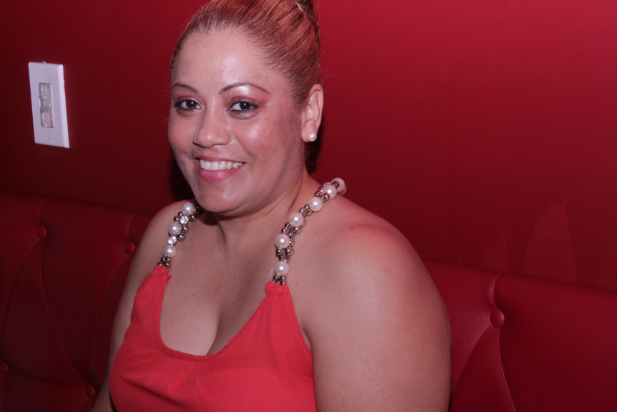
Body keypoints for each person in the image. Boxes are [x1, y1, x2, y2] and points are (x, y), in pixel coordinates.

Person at [92, 0, 450, 410]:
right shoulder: (168, 233)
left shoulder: (366, 270)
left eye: (242, 105)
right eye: (188, 104)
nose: (206, 134)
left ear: (308, 114)